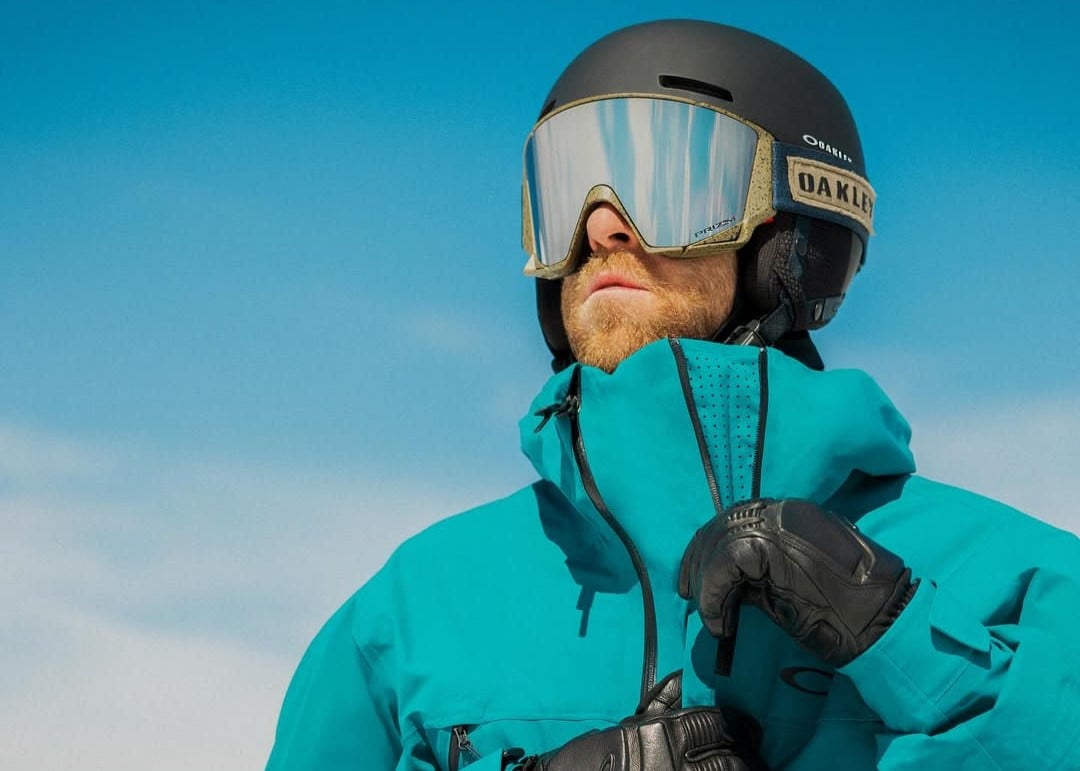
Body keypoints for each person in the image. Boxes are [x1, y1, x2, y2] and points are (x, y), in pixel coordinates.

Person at [266, 20, 1080, 770]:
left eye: (665, 180)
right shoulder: (411, 609)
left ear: (793, 236)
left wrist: (904, 639)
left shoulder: (1023, 584)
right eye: (566, 191)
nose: (601, 228)